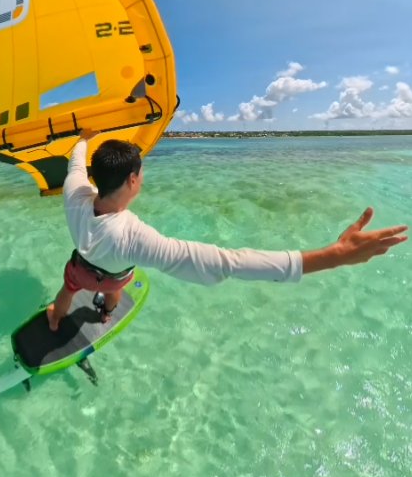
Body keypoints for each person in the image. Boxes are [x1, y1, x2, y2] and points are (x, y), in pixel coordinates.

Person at [46, 130, 408, 331]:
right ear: (132, 179)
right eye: (141, 173)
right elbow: (226, 262)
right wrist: (332, 256)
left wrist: (81, 140)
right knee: (116, 287)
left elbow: (75, 165)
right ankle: (108, 313)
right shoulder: (132, 236)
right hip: (111, 278)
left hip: (79, 268)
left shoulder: (74, 194)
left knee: (68, 288)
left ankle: (55, 317)